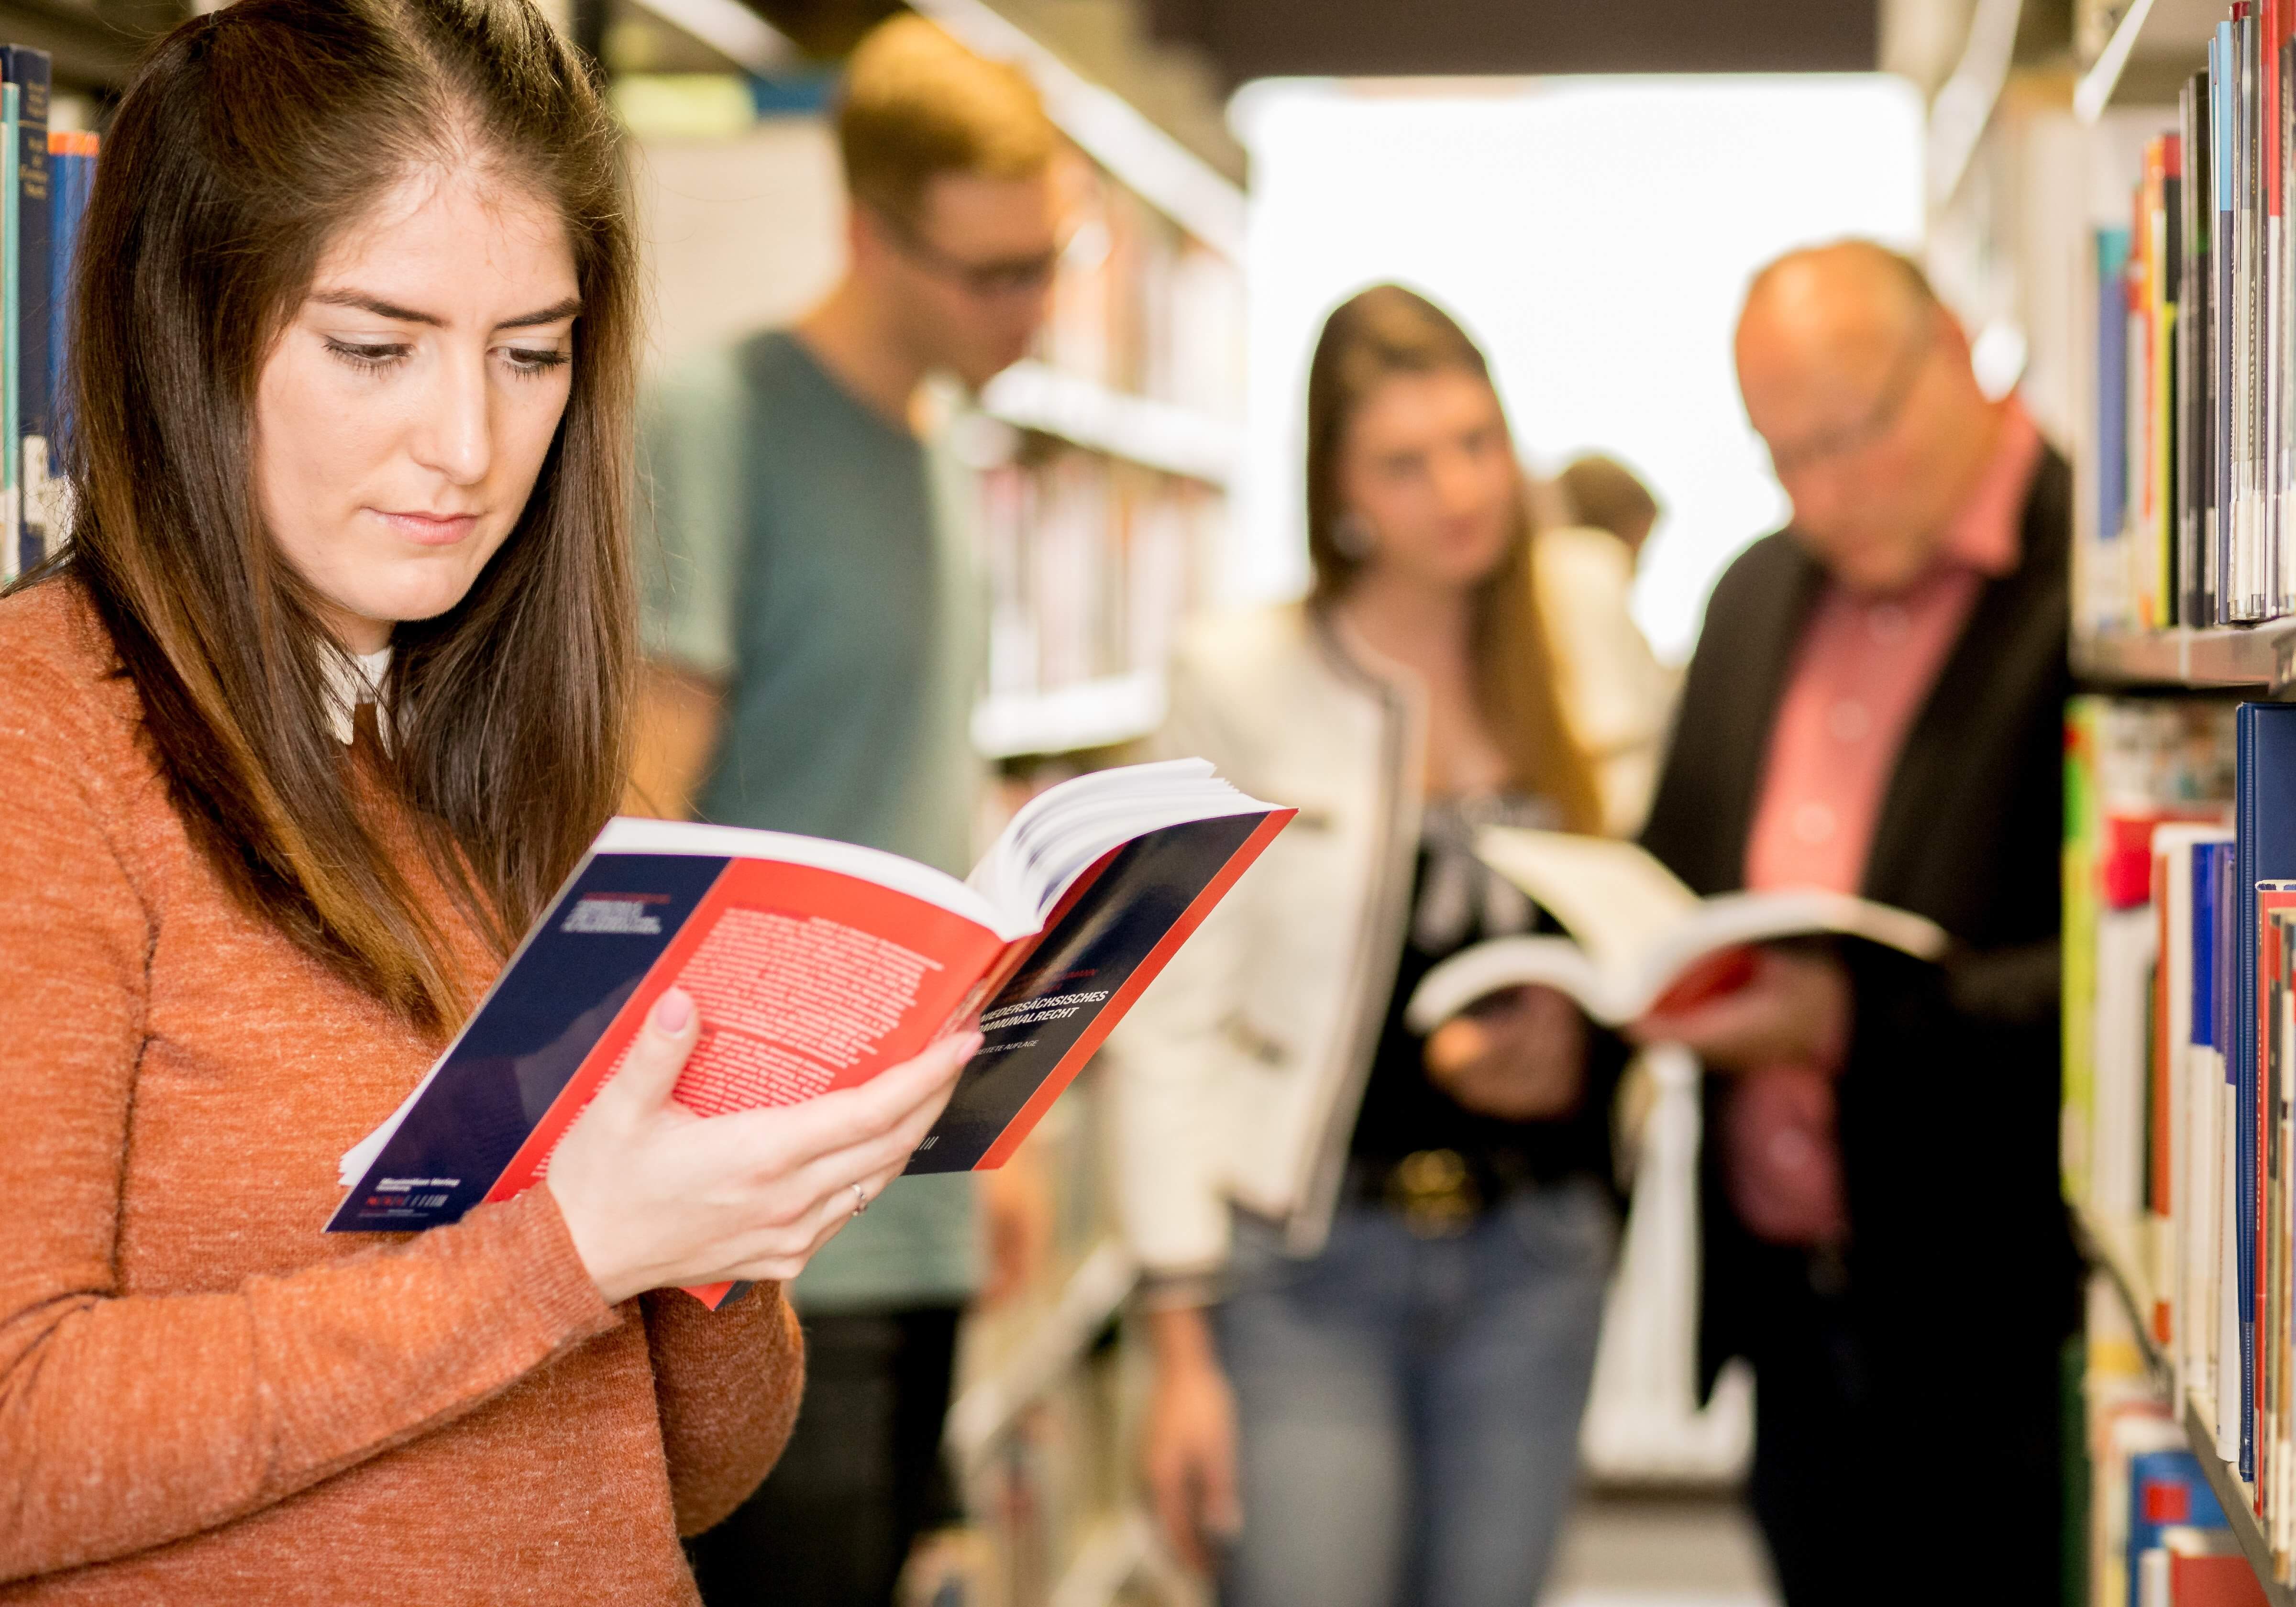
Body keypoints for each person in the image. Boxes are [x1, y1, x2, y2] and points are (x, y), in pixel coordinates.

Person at [0, 0, 973, 1598]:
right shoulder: (43, 748)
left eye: (532, 355)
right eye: (375, 347)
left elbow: (693, 1476)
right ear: (187, 329)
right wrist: (568, 1250)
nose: (466, 444)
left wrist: (721, 1232)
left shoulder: (484, 762)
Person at [1113, 285, 1635, 1607]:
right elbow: (1165, 1015)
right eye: (1404, 465)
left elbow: (1649, 914)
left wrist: (1587, 1033)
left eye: (1475, 443)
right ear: (1337, 491)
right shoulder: (1242, 675)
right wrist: (1178, 1351)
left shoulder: (1584, 639)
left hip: (1537, 1258)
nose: (1457, 490)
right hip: (1306, 1268)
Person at [629, 16, 1060, 1604]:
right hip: (766, 1232)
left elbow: (922, 809)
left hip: (917, 1191)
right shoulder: (714, 423)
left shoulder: (945, 454)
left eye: (1051, 261)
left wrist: (993, 1142)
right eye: (994, 272)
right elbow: (645, 829)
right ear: (870, 229)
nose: (1035, 309)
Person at [1633, 240, 2079, 1605]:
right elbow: (1676, 877)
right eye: (1782, 459)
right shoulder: (1758, 593)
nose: (1818, 497)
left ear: (1953, 352)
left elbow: (2154, 967)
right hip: (1793, 1320)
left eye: (1848, 440)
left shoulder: (2102, 583)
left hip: (2004, 1324)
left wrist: (1853, 1023)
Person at [1537, 455, 1675, 835]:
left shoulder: (1541, 568)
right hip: (1618, 786)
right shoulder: (1589, 561)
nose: (1643, 561)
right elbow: (1624, 707)